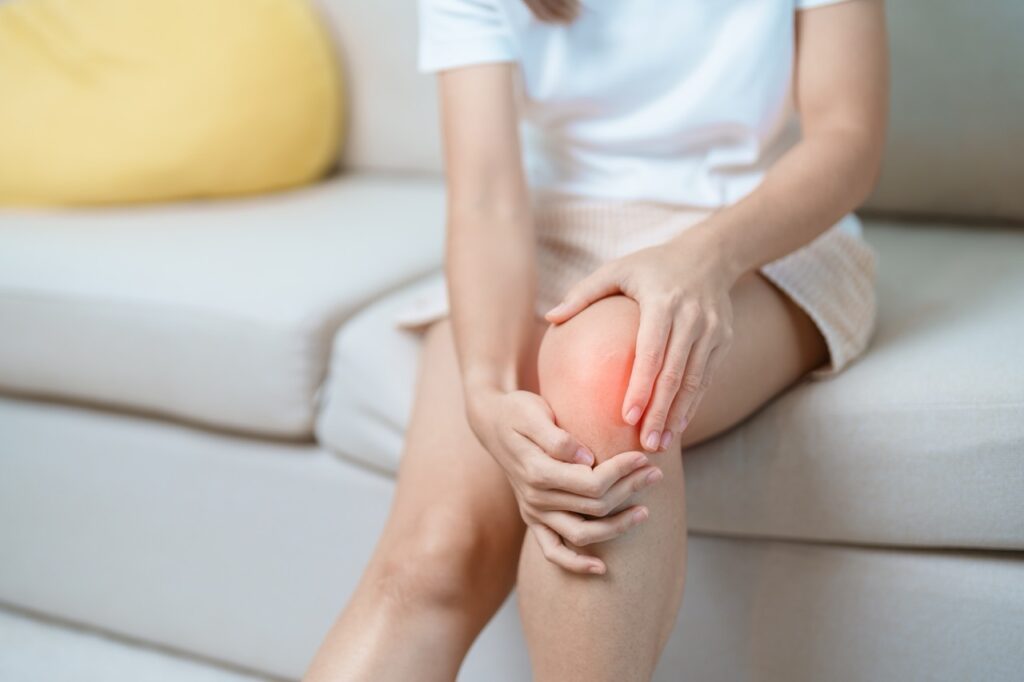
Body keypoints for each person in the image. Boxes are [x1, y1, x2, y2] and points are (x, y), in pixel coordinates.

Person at [304, 0, 887, 679]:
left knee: (605, 373)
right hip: (554, 232)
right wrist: (486, 390)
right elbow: (487, 196)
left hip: (755, 234)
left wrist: (705, 259)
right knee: (434, 553)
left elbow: (848, 140)